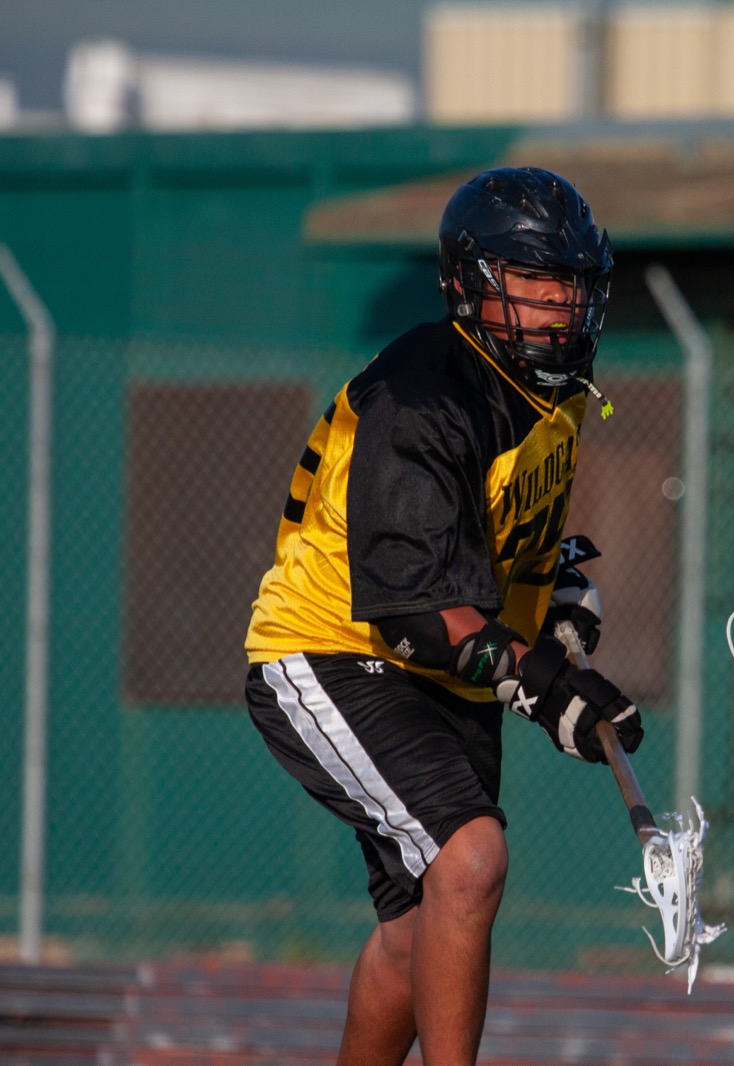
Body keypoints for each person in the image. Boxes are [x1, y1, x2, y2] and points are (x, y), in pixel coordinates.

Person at [244, 166, 644, 1066]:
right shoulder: (423, 395)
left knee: (414, 929)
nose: (556, 304)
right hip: (336, 646)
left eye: (570, 283)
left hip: (434, 662)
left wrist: (558, 615)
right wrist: (548, 688)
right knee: (470, 858)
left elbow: (500, 550)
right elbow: (414, 612)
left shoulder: (555, 390)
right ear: (469, 283)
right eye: (533, 280)